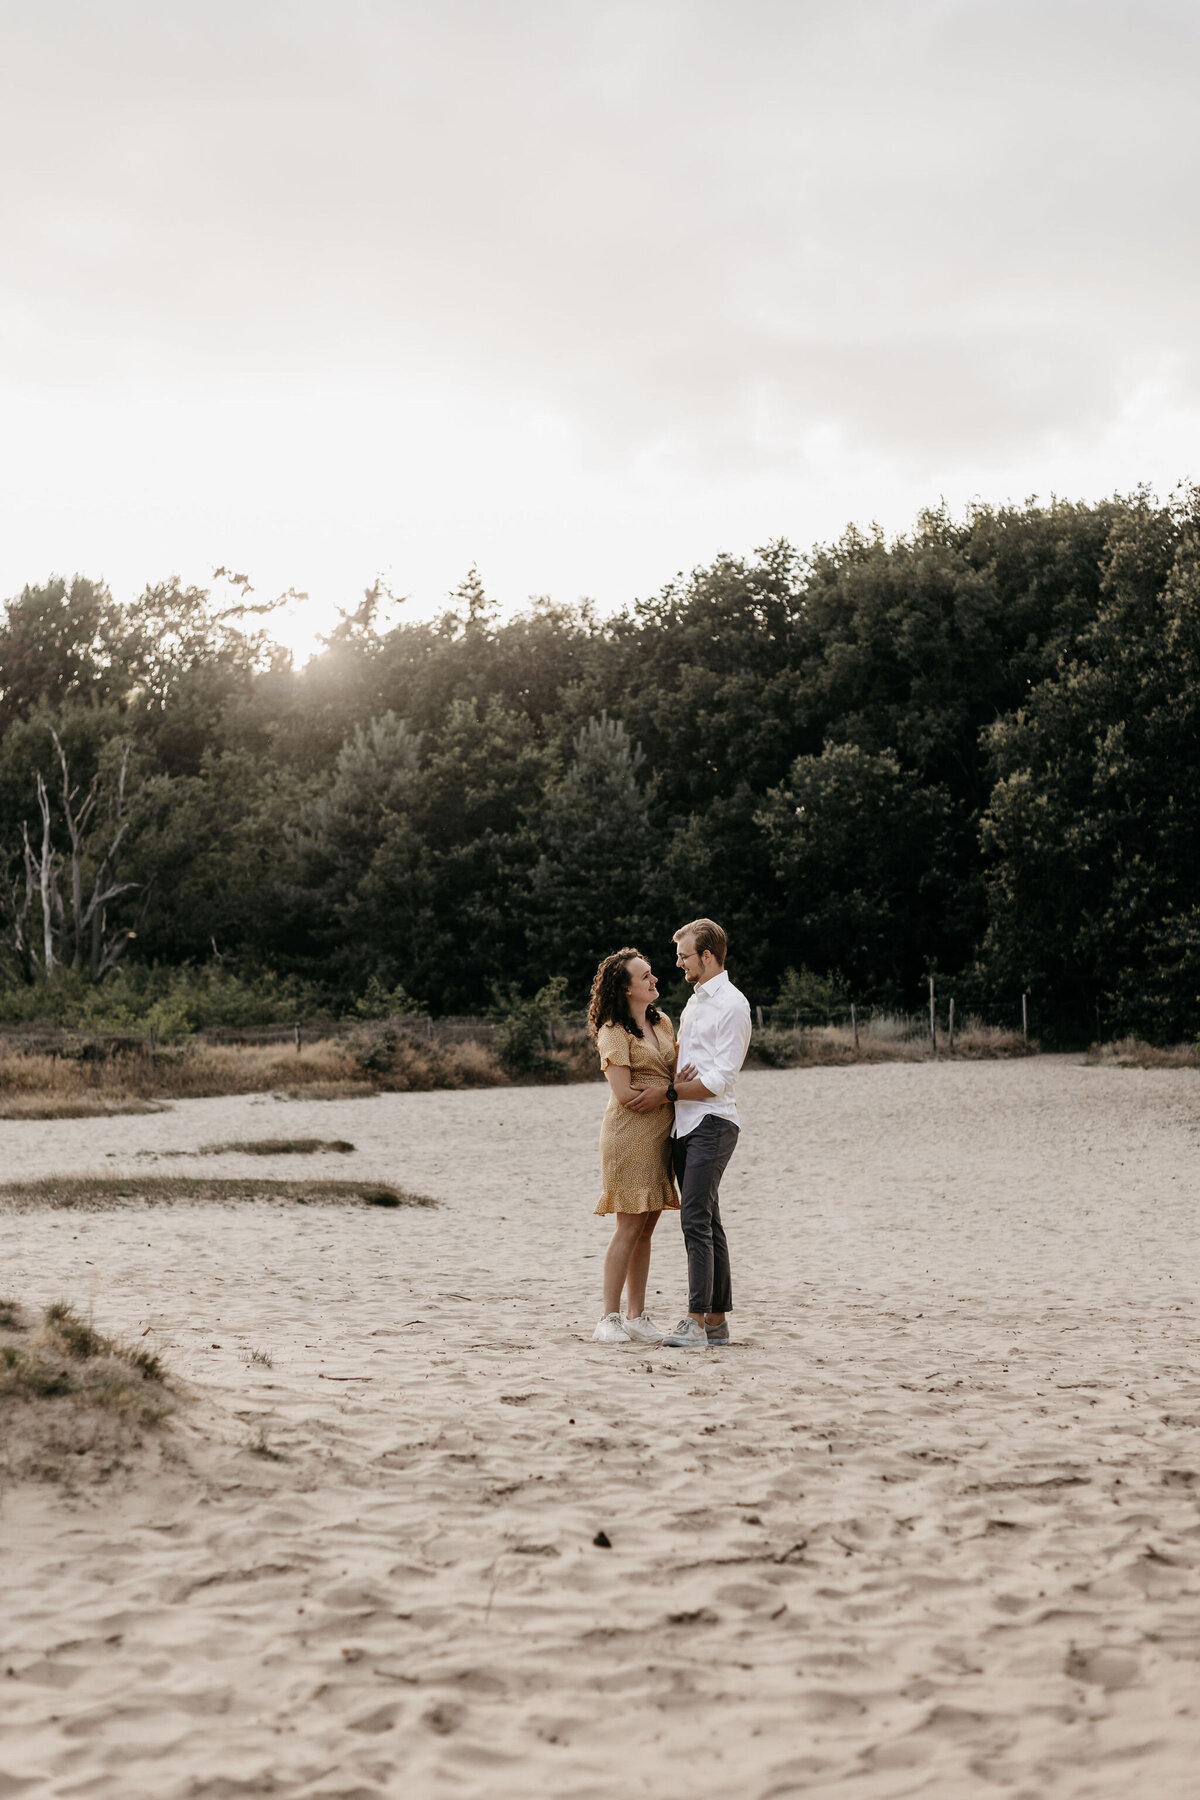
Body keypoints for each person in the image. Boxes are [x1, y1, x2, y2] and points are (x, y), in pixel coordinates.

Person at [627, 917, 750, 1348]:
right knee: (709, 1221)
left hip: (713, 1121)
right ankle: (716, 1323)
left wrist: (669, 1092)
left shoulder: (733, 1005)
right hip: (686, 1123)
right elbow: (687, 1061)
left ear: (708, 955)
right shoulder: (696, 1002)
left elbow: (720, 1079)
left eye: (684, 956)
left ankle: (695, 1321)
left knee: (695, 1219)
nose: (678, 963)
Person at [587, 947, 690, 1344]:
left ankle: (637, 1316)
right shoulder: (613, 1029)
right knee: (628, 1226)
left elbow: (675, 1069)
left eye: (652, 974)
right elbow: (625, 1092)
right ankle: (608, 1318)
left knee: (647, 1228)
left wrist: (674, 1085)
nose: (655, 980)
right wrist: (669, 1090)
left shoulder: (661, 1021)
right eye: (645, 976)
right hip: (628, 1135)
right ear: (626, 988)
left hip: (661, 1134)